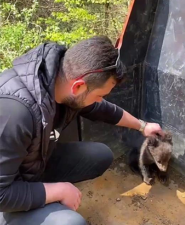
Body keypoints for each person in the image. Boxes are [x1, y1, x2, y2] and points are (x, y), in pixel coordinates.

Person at [0, 36, 165, 225]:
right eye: (99, 95)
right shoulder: (14, 112)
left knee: (100, 155)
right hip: (5, 197)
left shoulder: (62, 82)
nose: (99, 100)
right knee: (72, 223)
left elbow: (102, 109)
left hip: (31, 164)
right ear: (78, 86)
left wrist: (143, 126)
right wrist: (58, 191)